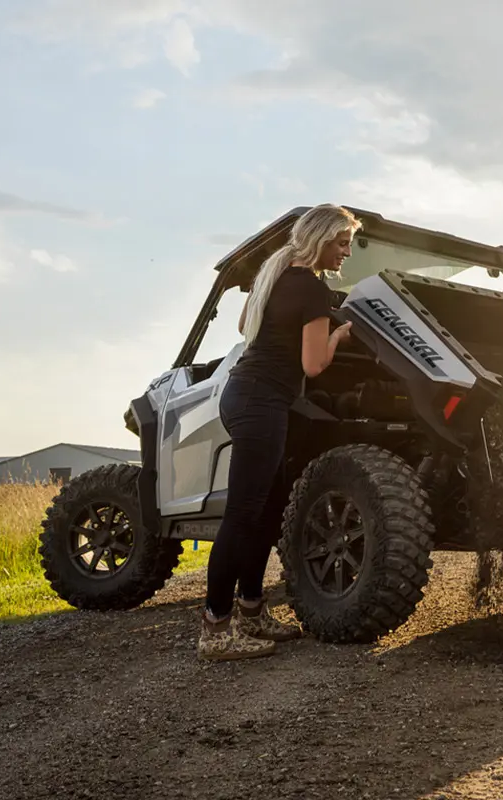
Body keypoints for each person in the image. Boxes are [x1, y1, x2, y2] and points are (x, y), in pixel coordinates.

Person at [198, 203, 360, 662]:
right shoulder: (311, 290)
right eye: (343, 242)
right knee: (243, 516)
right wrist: (337, 336)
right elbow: (315, 365)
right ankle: (214, 628)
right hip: (260, 401)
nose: (347, 252)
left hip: (248, 395)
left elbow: (243, 324)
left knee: (267, 512)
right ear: (322, 239)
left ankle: (252, 610)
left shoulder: (276, 270)